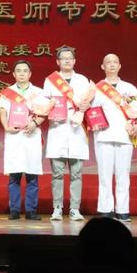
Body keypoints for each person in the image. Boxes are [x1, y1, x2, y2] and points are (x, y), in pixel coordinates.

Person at [43, 46, 91, 221]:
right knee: (57, 173)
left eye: (70, 58)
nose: (67, 60)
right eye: (63, 58)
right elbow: (44, 104)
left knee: (76, 174)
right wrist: (49, 108)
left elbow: (89, 103)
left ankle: (74, 209)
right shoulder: (50, 81)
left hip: (77, 130)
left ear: (74, 61)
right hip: (58, 129)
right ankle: (57, 207)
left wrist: (86, 106)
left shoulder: (82, 80)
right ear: (58, 61)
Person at [91, 54, 137, 221]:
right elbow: (92, 112)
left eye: (115, 62)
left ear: (119, 66)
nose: (111, 65)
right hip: (103, 135)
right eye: (108, 63)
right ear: (102, 66)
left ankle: (123, 209)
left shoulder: (129, 88)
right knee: (104, 175)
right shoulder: (96, 88)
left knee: (123, 174)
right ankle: (105, 209)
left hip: (125, 135)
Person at [0, 60, 45, 221]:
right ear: (13, 74)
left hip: (31, 135)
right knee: (14, 176)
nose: (22, 73)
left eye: (25, 71)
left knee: (32, 175)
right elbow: (2, 111)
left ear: (30, 74)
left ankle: (31, 210)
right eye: (19, 70)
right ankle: (14, 210)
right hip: (14, 136)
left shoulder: (38, 92)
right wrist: (6, 127)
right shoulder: (7, 93)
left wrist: (35, 123)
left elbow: (44, 112)